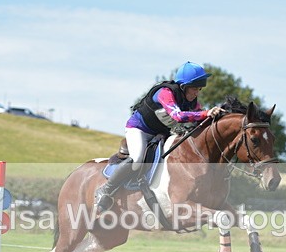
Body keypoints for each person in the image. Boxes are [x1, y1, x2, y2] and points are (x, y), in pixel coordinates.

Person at [94, 61, 224, 212]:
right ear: (183, 86)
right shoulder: (165, 93)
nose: (197, 93)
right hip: (139, 130)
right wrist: (205, 113)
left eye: (199, 89)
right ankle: (106, 190)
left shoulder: (192, 102)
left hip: (160, 134)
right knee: (137, 160)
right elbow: (178, 116)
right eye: (194, 88)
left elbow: (201, 117)